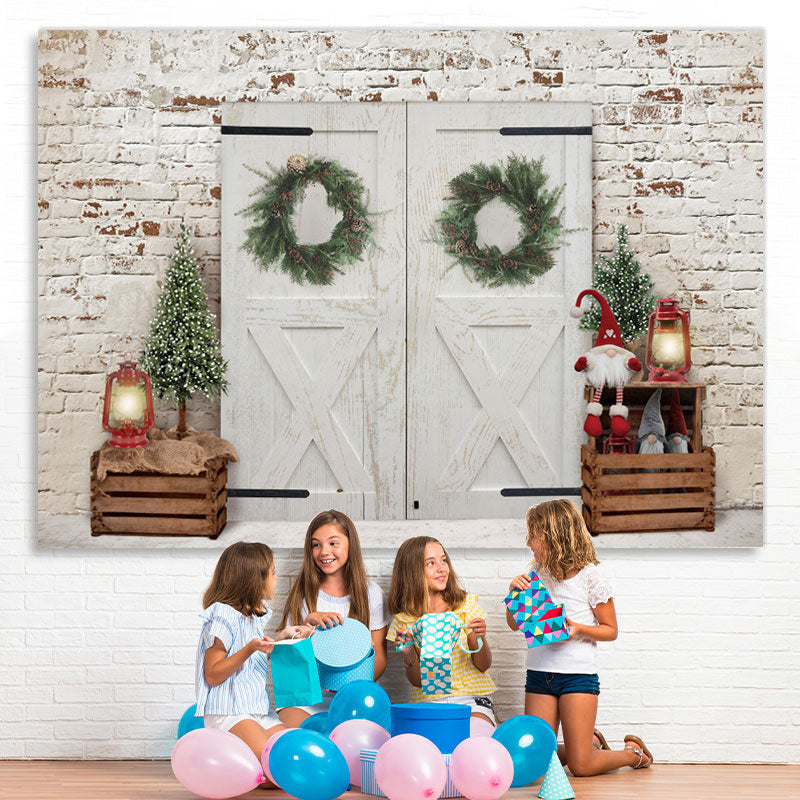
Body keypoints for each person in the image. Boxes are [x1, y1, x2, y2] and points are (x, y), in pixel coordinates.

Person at [507, 499, 653, 776]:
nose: (528, 543)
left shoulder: (591, 579)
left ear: (553, 538)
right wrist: (514, 593)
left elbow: (610, 630)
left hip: (577, 677)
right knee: (536, 759)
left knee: (580, 766)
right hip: (539, 675)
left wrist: (578, 628)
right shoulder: (536, 574)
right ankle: (590, 744)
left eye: (533, 536)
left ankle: (633, 755)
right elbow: (515, 625)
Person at [195, 541, 313, 780]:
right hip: (230, 712)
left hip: (257, 711)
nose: (276, 578)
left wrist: (282, 638)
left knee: (296, 758)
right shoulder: (224, 615)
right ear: (253, 578)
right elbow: (213, 674)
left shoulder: (252, 616)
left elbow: (253, 656)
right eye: (273, 572)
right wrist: (250, 648)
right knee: (276, 771)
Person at [277, 510, 390, 727]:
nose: (323, 552)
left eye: (333, 543)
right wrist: (307, 628)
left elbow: (380, 658)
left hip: (354, 696)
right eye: (316, 544)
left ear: (350, 545)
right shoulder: (304, 593)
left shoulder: (370, 593)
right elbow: (291, 661)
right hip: (307, 697)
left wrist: (348, 686)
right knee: (292, 735)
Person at [387, 536, 496, 726]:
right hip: (429, 702)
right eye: (431, 563)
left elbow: (483, 665)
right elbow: (418, 682)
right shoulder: (405, 620)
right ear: (412, 572)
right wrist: (408, 655)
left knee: (475, 737)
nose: (441, 568)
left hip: (471, 700)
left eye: (443, 560)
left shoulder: (465, 606)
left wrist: (479, 638)